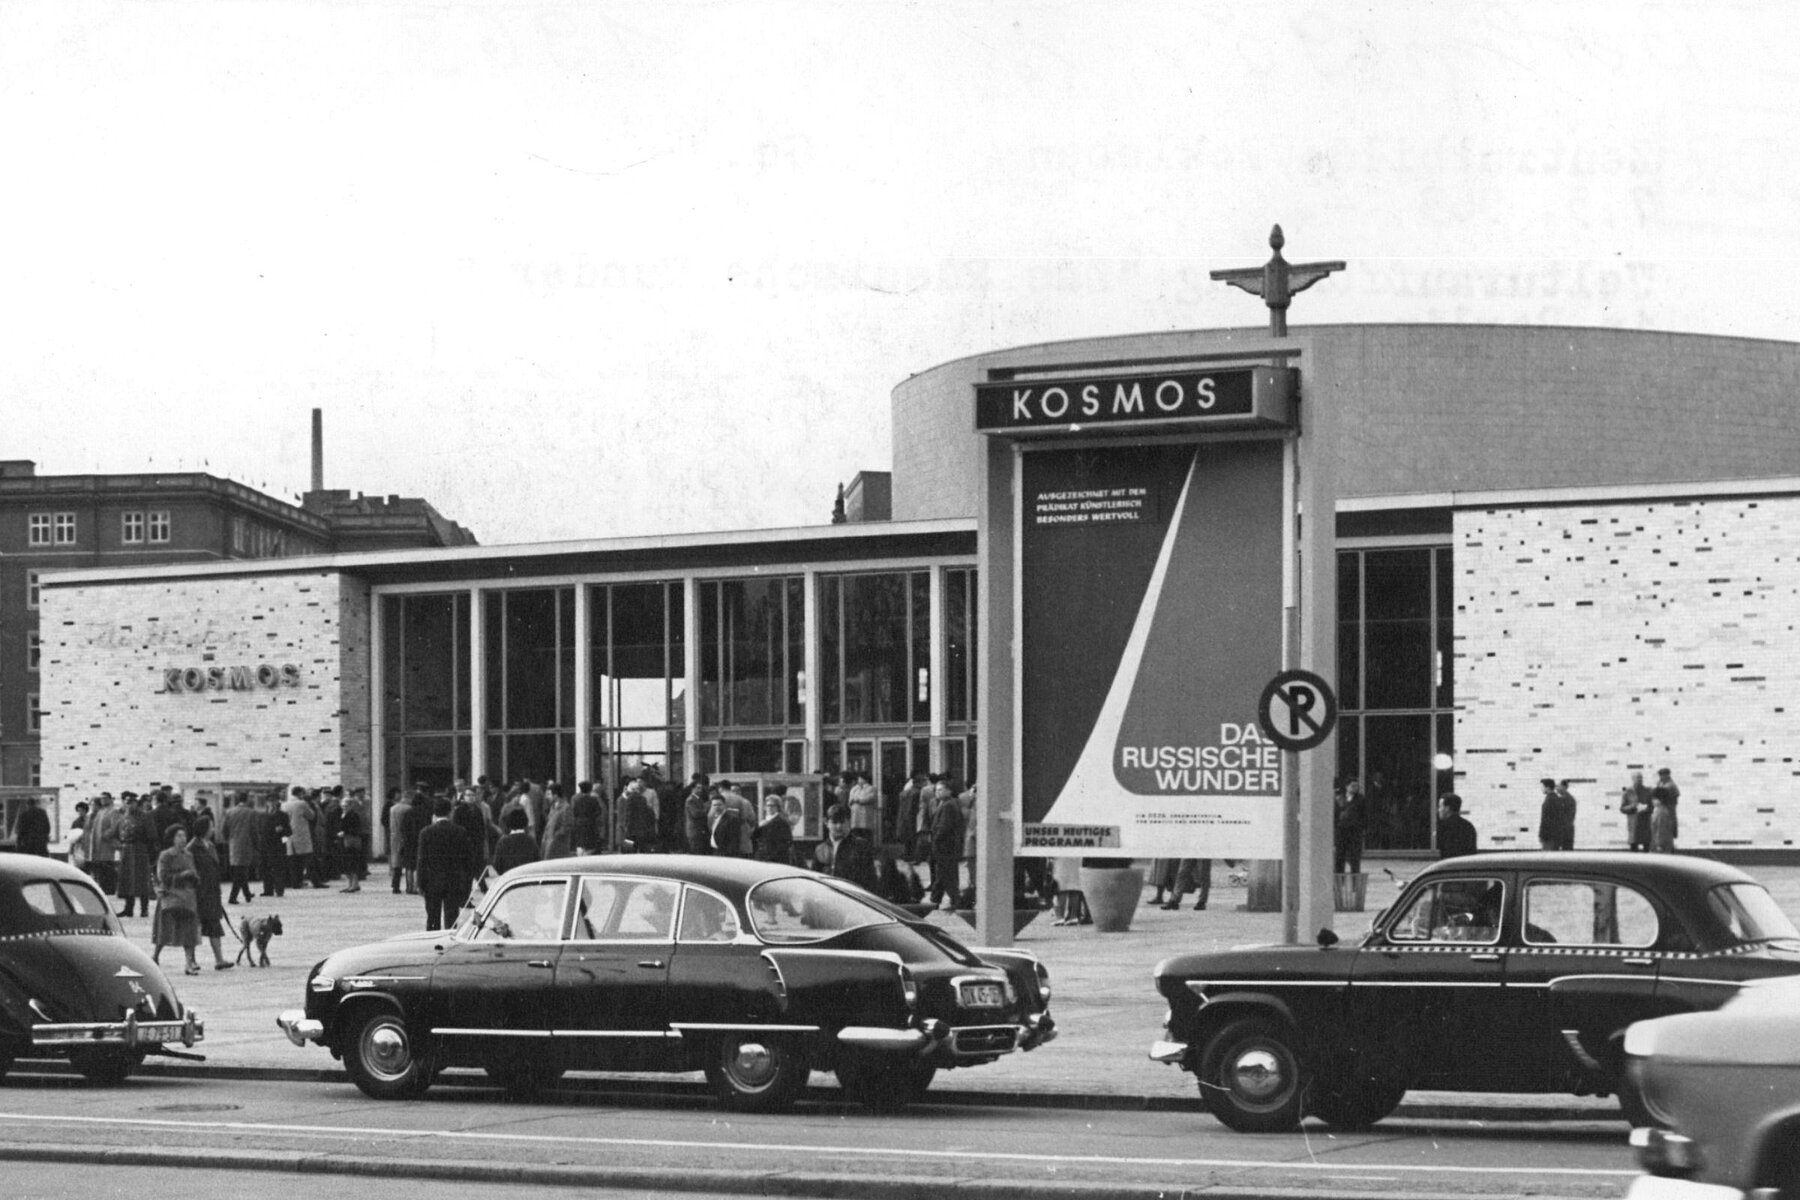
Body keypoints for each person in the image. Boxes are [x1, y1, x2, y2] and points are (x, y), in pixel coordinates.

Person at [415, 797, 476, 932]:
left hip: (431, 882)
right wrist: (467, 885)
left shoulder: (426, 832)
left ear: (434, 814)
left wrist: (420, 883)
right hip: (453, 881)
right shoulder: (460, 831)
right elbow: (468, 861)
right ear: (450, 812)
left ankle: (432, 943)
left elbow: (421, 860)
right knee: (452, 919)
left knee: (432, 918)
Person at [152, 826, 202, 975]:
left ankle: (188, 963)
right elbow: (162, 876)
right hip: (171, 896)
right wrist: (182, 875)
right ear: (172, 838)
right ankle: (155, 955)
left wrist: (194, 878)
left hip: (187, 897)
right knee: (164, 930)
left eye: (184, 836)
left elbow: (195, 874)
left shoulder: (188, 855)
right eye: (179, 836)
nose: (183, 839)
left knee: (189, 931)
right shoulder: (166, 855)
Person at [187, 829, 234, 970]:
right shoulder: (192, 848)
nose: (213, 829)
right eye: (210, 826)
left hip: (212, 892)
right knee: (195, 927)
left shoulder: (210, 845)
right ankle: (191, 960)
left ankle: (219, 959)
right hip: (199, 892)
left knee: (214, 925)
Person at [814, 804, 878, 892]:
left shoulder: (861, 846)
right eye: (834, 822)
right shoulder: (820, 850)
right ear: (826, 823)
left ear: (849, 822)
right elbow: (814, 881)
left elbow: (870, 881)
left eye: (842, 822)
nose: (839, 826)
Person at [116, 794, 159, 918]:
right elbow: (118, 833)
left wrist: (151, 855)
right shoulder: (124, 817)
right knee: (128, 880)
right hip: (126, 850)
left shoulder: (145, 817)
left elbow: (152, 836)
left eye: (132, 802)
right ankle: (128, 908)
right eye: (127, 802)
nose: (129, 805)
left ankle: (144, 909)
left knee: (142, 880)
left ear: (136, 803)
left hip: (140, 850)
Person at [927, 780, 966, 910]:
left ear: (949, 791)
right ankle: (935, 899)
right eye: (936, 790)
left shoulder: (948, 805)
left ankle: (955, 900)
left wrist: (935, 840)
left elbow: (944, 826)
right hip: (946, 845)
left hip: (945, 845)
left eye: (941, 790)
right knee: (942, 874)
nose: (937, 793)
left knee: (947, 874)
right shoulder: (945, 803)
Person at [221, 792, 259, 904]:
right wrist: (257, 845)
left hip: (233, 844)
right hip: (246, 844)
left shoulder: (229, 812)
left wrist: (229, 839)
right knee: (241, 872)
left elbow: (224, 830)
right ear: (247, 799)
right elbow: (254, 831)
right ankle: (233, 897)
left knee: (240, 870)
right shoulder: (251, 813)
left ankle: (247, 894)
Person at [492, 807, 540, 875]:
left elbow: (497, 866)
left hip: (508, 879)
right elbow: (537, 863)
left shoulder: (503, 842)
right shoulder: (531, 841)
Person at [388, 789, 419, 894]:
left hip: (394, 837)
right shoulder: (408, 809)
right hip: (406, 837)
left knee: (396, 863)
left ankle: (395, 885)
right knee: (408, 863)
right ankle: (409, 886)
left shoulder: (392, 808)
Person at [1334, 781, 1368, 874]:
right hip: (1341, 831)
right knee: (1339, 857)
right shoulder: (1339, 798)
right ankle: (1339, 880)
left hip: (1355, 832)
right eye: (1352, 786)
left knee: (1354, 858)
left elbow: (1364, 815)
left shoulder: (1361, 799)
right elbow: (1335, 814)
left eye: (1357, 786)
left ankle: (1355, 879)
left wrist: (1361, 828)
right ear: (1346, 786)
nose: (1355, 788)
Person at [338, 788, 368, 892]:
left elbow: (355, 828)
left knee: (353, 864)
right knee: (347, 864)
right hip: (346, 841)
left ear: (351, 805)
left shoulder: (353, 815)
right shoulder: (344, 814)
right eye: (343, 805)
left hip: (352, 842)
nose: (344, 807)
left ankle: (354, 884)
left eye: (346, 805)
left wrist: (344, 832)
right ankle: (350, 883)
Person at [752, 795, 794, 864]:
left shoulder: (782, 822)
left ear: (778, 807)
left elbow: (787, 841)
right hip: (762, 857)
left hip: (775, 859)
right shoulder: (763, 821)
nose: (770, 808)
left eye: (772, 806)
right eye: (768, 805)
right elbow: (754, 837)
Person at [1538, 777, 1575, 851]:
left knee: (1548, 857)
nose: (1541, 789)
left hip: (1549, 836)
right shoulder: (1557, 799)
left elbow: (1546, 819)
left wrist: (1542, 834)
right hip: (1555, 835)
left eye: (1542, 787)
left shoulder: (1550, 800)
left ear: (1547, 788)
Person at [1436, 792, 1477, 858]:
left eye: (1440, 806)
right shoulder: (1469, 826)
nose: (1438, 810)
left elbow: (1445, 853)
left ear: (1447, 808)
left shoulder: (1444, 827)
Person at [1621, 770, 1653, 852]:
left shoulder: (1648, 791)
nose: (1640, 779)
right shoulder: (1627, 792)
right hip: (1633, 824)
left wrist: (1646, 808)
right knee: (1634, 849)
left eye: (1641, 778)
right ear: (1632, 779)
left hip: (1645, 824)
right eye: (1638, 778)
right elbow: (1622, 808)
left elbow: (1652, 807)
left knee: (1646, 848)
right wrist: (1633, 806)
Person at [571, 779, 604, 855]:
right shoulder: (593, 800)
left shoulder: (576, 800)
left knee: (580, 845)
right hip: (590, 826)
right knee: (590, 846)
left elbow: (574, 812)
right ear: (590, 790)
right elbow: (598, 812)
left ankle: (580, 857)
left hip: (579, 826)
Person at [1651, 767, 1680, 853]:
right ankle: (1663, 848)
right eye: (1660, 775)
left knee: (1665, 831)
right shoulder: (1661, 783)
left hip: (1668, 810)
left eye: (1663, 775)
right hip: (1662, 809)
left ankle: (1666, 849)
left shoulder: (1670, 785)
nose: (1661, 777)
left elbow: (1664, 796)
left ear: (1667, 775)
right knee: (1661, 830)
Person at [847, 772, 880, 837]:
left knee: (865, 834)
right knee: (856, 834)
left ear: (865, 779)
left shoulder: (871, 788)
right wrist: (853, 800)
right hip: (855, 816)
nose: (858, 780)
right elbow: (850, 799)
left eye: (860, 778)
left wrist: (856, 799)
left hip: (865, 817)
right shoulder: (854, 788)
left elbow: (867, 798)